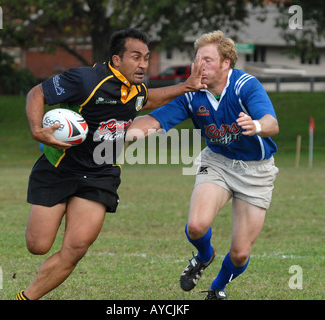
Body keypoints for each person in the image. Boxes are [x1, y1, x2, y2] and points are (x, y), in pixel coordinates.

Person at [15, 28, 206, 300]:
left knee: (76, 247)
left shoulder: (136, 90)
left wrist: (187, 86)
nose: (143, 64)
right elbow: (37, 93)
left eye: (147, 58)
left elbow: (146, 99)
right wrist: (36, 129)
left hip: (100, 173)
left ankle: (26, 298)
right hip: (60, 169)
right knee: (38, 245)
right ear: (116, 60)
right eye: (136, 57)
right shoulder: (84, 80)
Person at [126, 30, 279, 300]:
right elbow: (153, 121)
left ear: (225, 64)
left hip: (256, 170)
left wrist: (255, 125)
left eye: (207, 60)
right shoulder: (191, 94)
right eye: (197, 60)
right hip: (218, 162)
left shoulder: (245, 86)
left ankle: (217, 289)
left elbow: (271, 123)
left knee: (241, 252)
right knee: (197, 226)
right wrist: (121, 132)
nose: (200, 67)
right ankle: (204, 256)